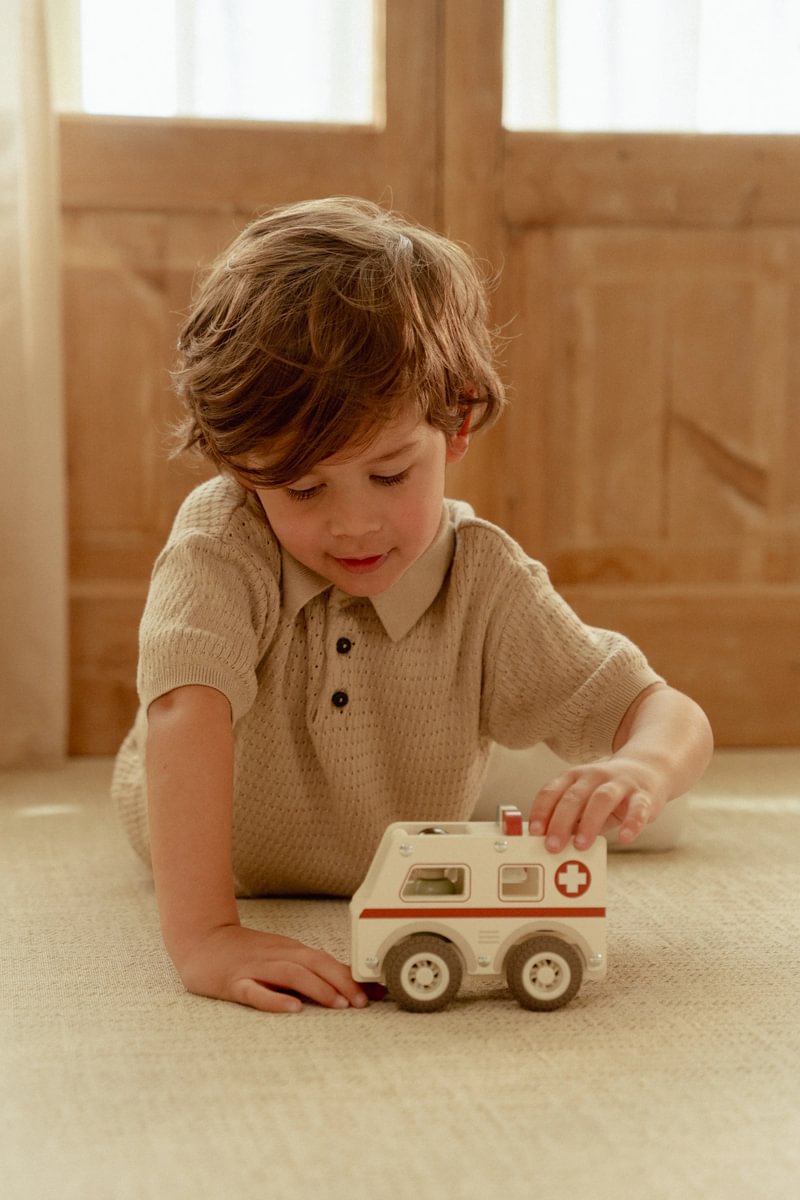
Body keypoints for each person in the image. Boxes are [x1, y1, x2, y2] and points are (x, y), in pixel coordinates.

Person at [112, 196, 713, 1015]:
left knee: (644, 805)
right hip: (223, 805)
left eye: (390, 475)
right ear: (236, 467)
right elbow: (186, 708)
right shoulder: (221, 539)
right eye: (301, 487)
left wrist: (641, 766)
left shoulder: (485, 578)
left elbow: (666, 711)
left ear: (458, 420)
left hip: (405, 801)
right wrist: (208, 934)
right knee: (185, 723)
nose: (354, 523)